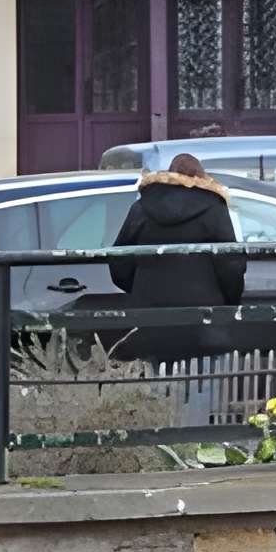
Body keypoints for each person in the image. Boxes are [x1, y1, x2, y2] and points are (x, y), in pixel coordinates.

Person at [108, 155, 247, 421]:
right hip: (203, 318)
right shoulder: (213, 207)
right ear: (200, 177)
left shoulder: (142, 207)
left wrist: (137, 289)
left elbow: (118, 259)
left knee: (155, 387)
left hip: (151, 318)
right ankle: (199, 443)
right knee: (204, 386)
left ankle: (163, 442)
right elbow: (231, 265)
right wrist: (228, 302)